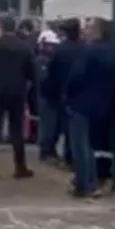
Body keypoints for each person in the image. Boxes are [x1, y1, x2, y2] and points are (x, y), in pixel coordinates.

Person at [63, 18, 115, 197]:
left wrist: (68, 96)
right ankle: (98, 180)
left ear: (98, 31)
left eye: (89, 28)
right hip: (106, 105)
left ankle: (87, 185)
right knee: (97, 145)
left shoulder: (88, 52)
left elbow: (76, 77)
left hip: (81, 104)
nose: (86, 31)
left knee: (81, 146)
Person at [0, 17, 36, 179]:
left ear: (1, 27)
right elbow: (31, 72)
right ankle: (20, 167)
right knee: (16, 130)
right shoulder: (24, 47)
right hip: (17, 92)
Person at [40, 19, 82, 165]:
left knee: (52, 125)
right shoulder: (83, 49)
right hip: (75, 93)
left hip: (57, 92)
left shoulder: (60, 50)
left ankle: (47, 150)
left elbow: (52, 72)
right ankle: (70, 155)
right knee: (71, 127)